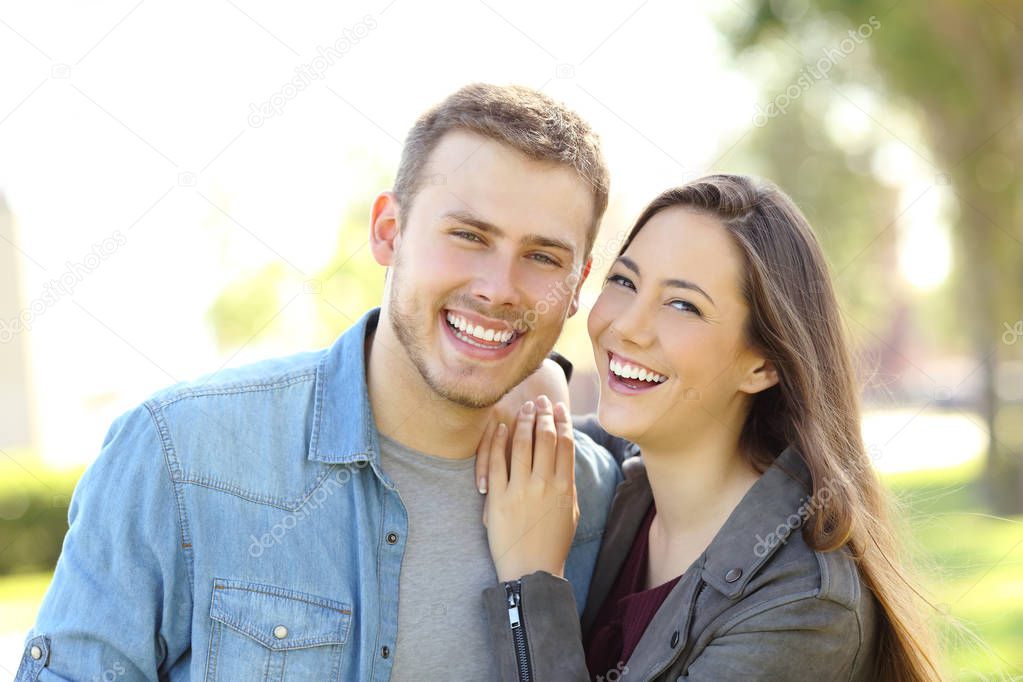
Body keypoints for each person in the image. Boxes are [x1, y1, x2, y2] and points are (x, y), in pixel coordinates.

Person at [15, 83, 622, 681]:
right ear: (389, 231)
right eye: (468, 236)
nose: (498, 288)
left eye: (543, 257)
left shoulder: (598, 504)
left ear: (577, 286)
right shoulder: (180, 454)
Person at [477, 174, 943, 681]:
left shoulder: (802, 607)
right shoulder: (618, 479)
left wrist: (530, 585)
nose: (628, 325)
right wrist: (541, 380)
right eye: (625, 281)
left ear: (764, 365)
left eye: (683, 305)